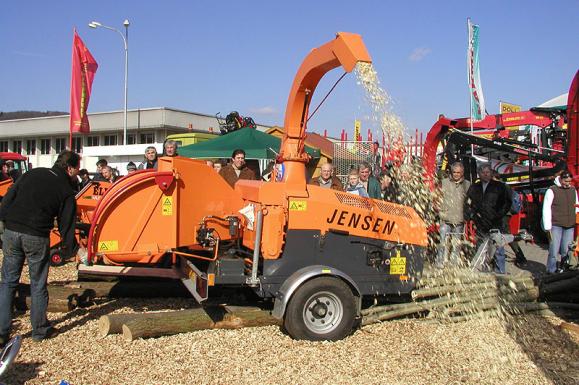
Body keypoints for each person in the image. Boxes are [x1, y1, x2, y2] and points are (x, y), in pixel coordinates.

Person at [0, 150, 84, 346]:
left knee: (8, 282)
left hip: (12, 231)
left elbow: (8, 198)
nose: (77, 174)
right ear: (69, 168)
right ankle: (39, 330)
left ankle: (2, 332)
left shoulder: (32, 173)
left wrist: (4, 219)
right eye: (77, 169)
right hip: (36, 235)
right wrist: (70, 249)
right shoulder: (66, 191)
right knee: (37, 283)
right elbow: (67, 225)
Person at [465, 163, 512, 273]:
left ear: (491, 173)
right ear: (479, 174)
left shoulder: (499, 186)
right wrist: (472, 215)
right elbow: (468, 202)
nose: (485, 175)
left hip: (495, 222)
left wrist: (499, 214)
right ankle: (483, 270)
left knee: (498, 248)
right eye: (483, 173)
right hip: (480, 222)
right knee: (481, 247)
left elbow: (507, 202)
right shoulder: (474, 187)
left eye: (487, 172)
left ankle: (500, 271)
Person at [542, 170, 578, 273]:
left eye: (569, 181)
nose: (568, 183)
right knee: (553, 250)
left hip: (569, 225)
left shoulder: (573, 190)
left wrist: (575, 218)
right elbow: (546, 208)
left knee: (566, 251)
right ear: (561, 179)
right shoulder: (552, 190)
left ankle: (563, 269)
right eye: (566, 181)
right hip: (556, 225)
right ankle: (551, 271)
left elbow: (576, 205)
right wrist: (547, 226)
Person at [436, 162, 471, 268]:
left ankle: (453, 263)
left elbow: (469, 201)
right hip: (445, 217)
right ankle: (440, 261)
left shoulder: (467, 184)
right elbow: (437, 197)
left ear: (462, 173)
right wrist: (439, 210)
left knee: (456, 243)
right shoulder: (444, 182)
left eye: (458, 172)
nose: (456, 174)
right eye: (454, 172)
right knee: (442, 241)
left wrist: (467, 214)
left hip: (459, 218)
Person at [492, 170, 528, 267]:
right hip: (505, 215)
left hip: (502, 215)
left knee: (506, 236)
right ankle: (519, 258)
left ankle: (520, 258)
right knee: (503, 236)